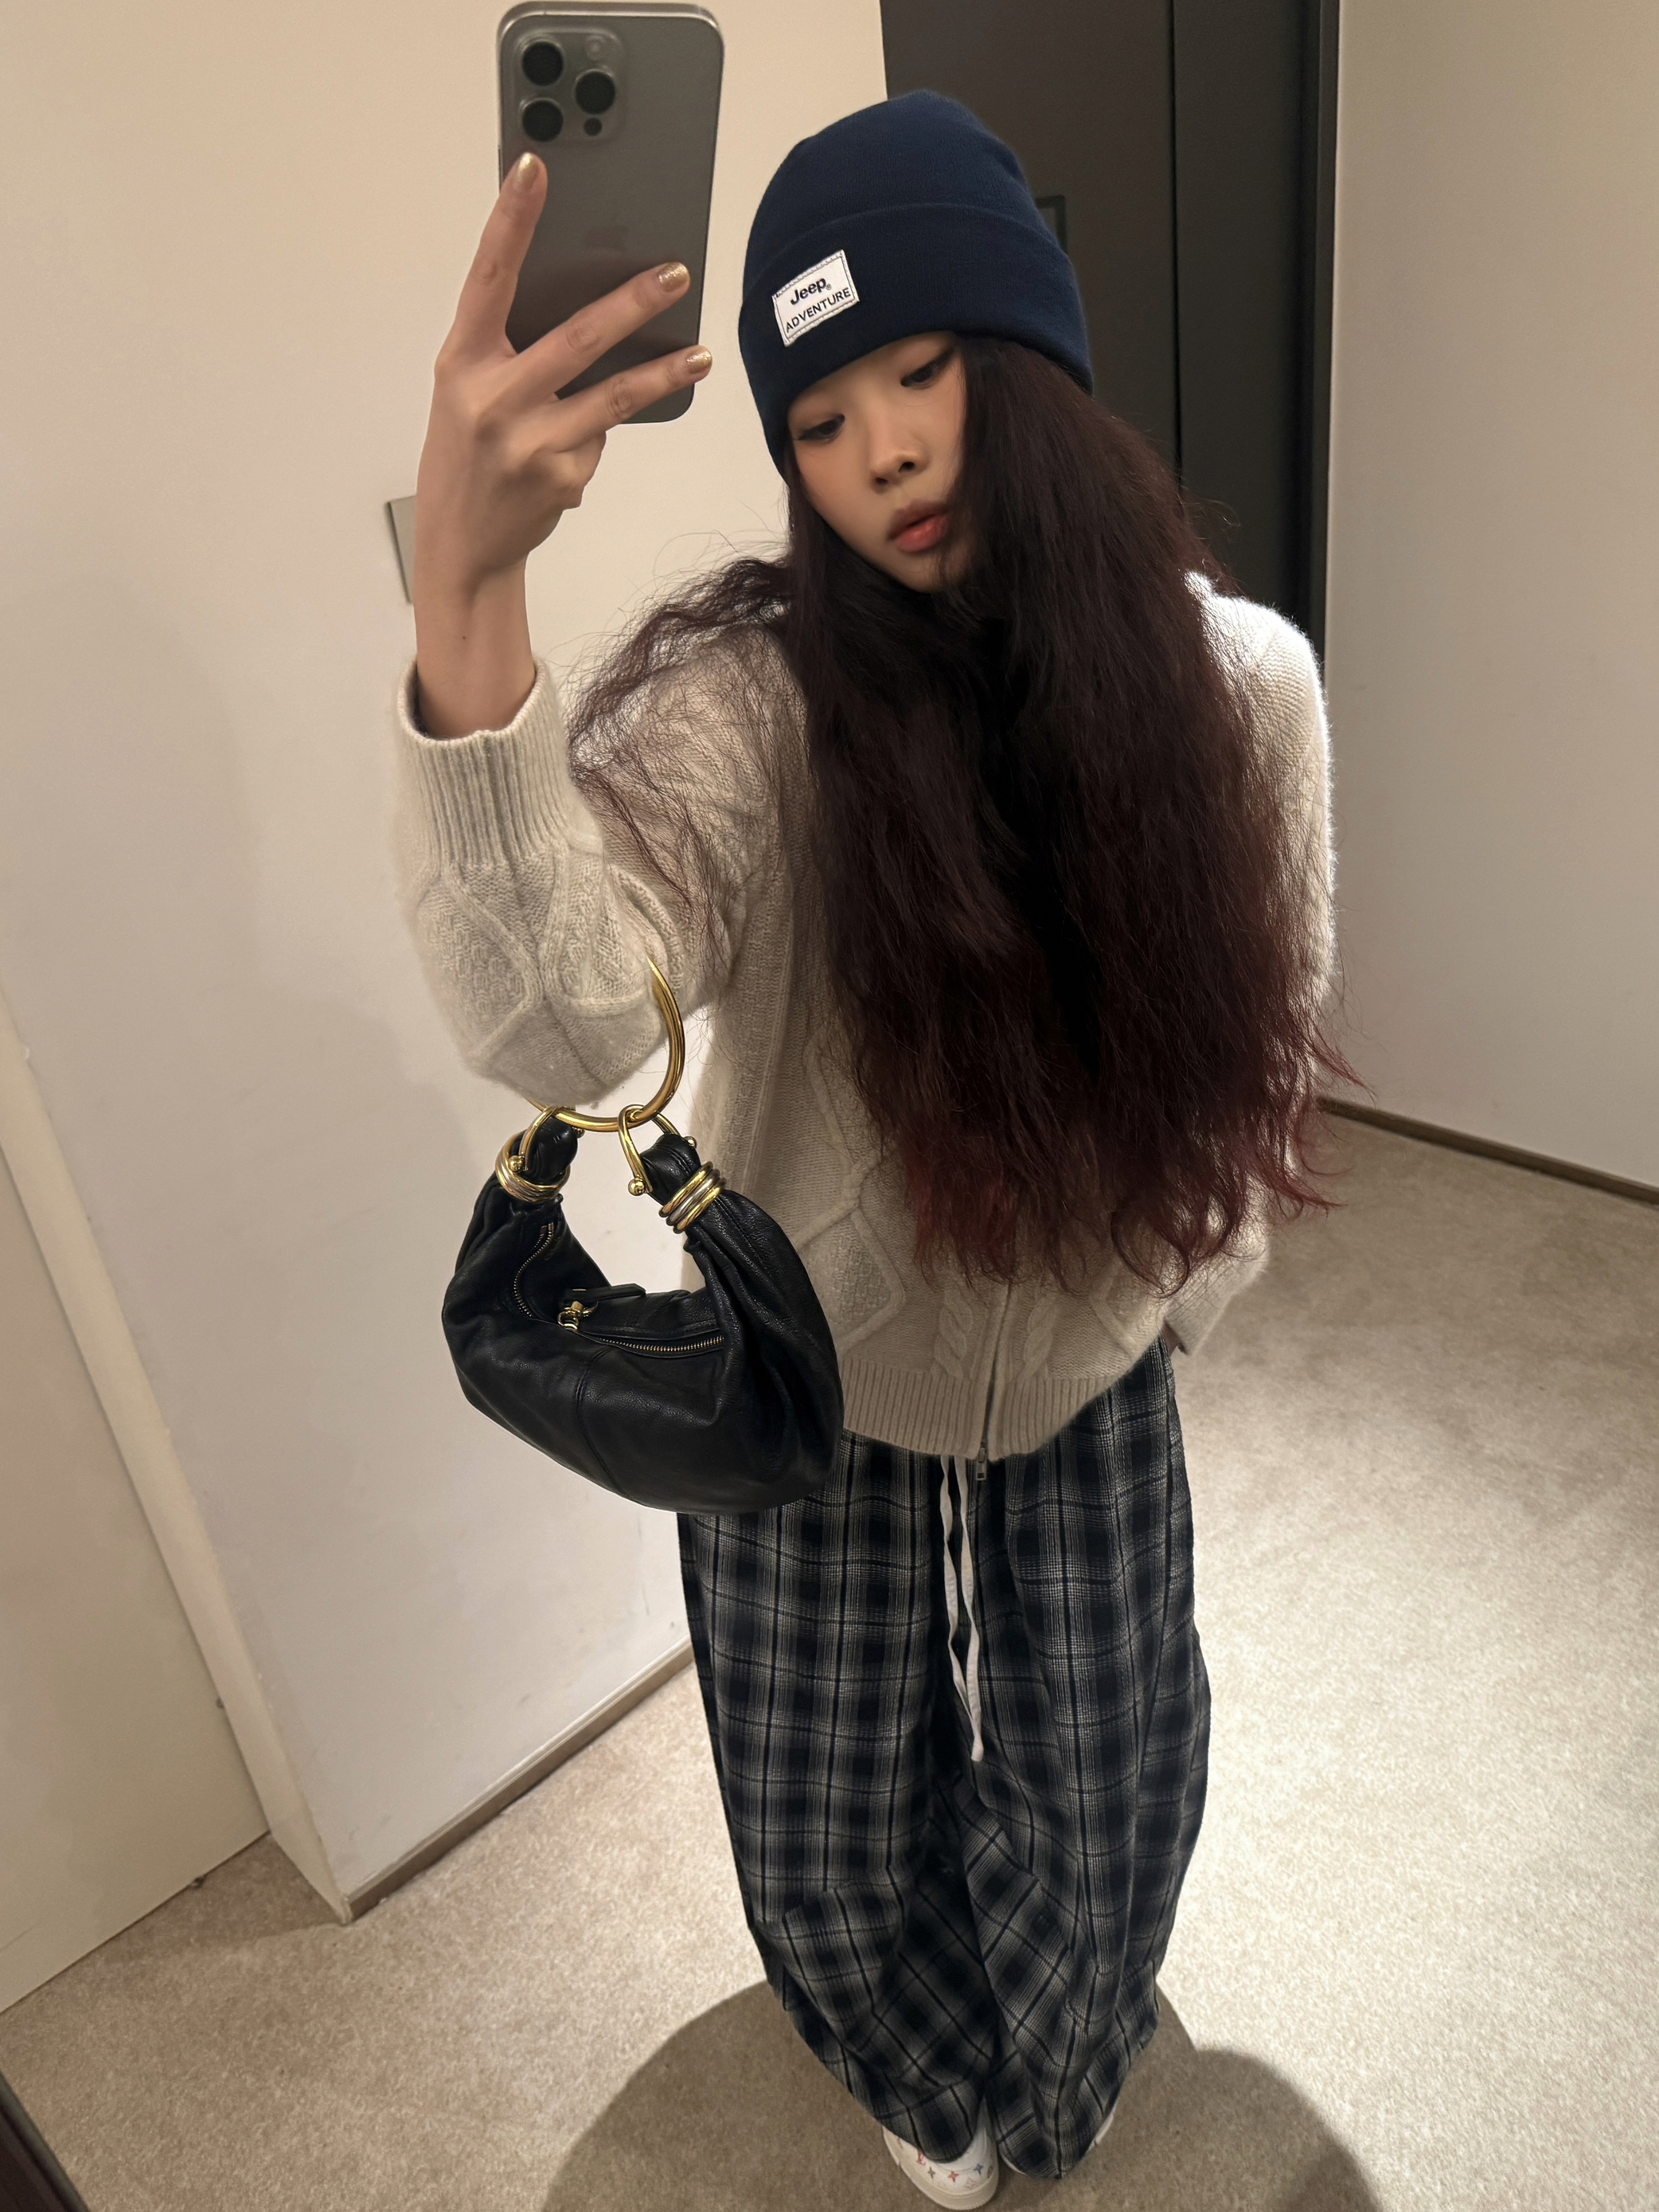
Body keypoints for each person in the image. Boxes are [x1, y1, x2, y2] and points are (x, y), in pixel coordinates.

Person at [396, 92, 1338, 2206]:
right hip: (810, 1370)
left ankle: (1068, 2065)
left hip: (1091, 1355)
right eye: (820, 419)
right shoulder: (758, 710)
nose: (886, 452)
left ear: (1031, 366)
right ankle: (921, 2064)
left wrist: (1176, 1295)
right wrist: (468, 588)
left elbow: (1264, 1036)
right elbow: (561, 1017)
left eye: (923, 372)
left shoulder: (1241, 691)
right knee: (821, 1812)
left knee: (1112, 1778)